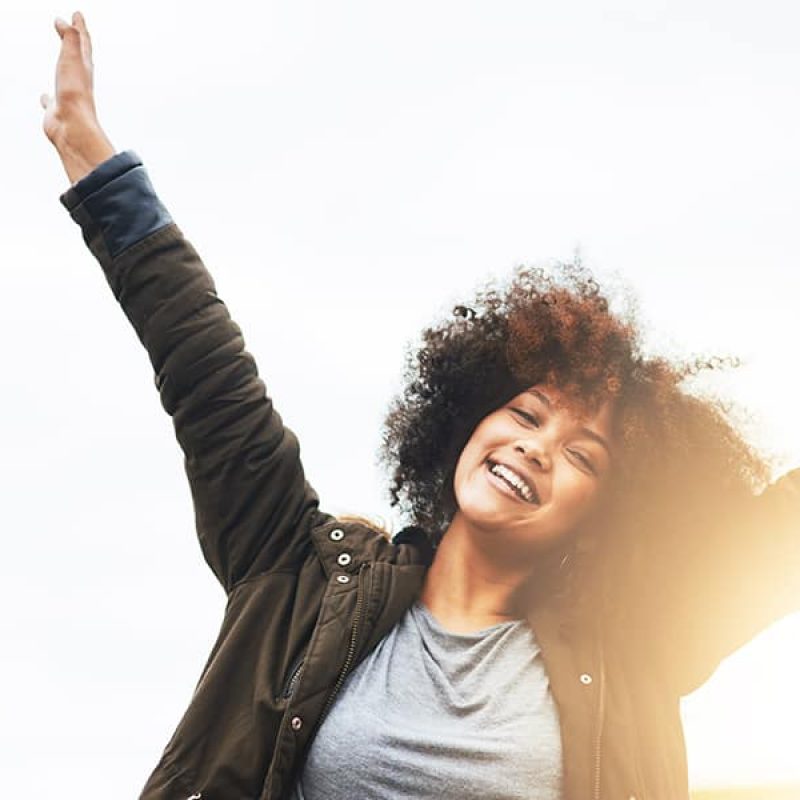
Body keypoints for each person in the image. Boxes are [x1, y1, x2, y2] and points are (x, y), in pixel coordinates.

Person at [41, 12, 800, 800]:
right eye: (527, 414)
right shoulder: (299, 575)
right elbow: (208, 376)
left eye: (583, 455)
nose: (537, 448)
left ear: (608, 512)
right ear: (468, 420)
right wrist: (99, 169)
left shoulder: (631, 649)